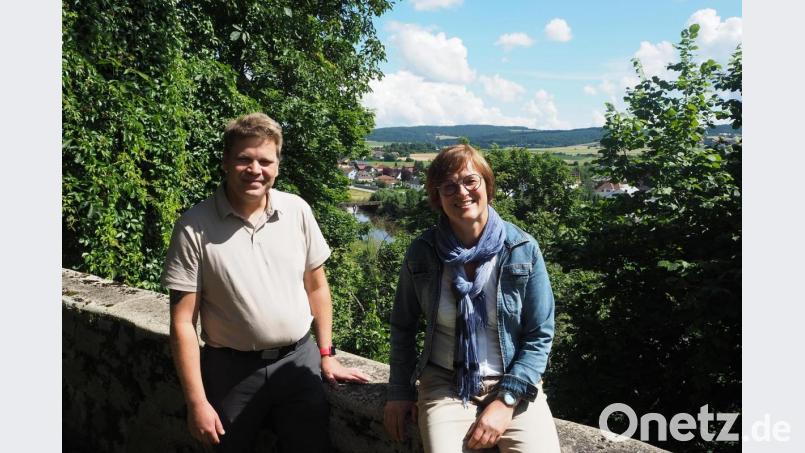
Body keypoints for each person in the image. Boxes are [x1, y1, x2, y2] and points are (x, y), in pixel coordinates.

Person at [162, 112, 369, 452]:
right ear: (226, 162)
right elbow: (183, 322)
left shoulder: (297, 211)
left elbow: (316, 287)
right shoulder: (193, 227)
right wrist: (196, 402)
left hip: (299, 362)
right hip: (231, 371)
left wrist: (326, 354)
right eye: (244, 159)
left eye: (265, 161)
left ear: (277, 166)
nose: (255, 169)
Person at [383, 144, 561, 452]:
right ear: (437, 197)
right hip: (444, 383)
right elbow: (403, 326)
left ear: (487, 186)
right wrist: (399, 391)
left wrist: (506, 401)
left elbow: (539, 335)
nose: (461, 192)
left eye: (470, 181)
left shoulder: (521, 249)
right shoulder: (422, 252)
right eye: (448, 187)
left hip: (513, 382)